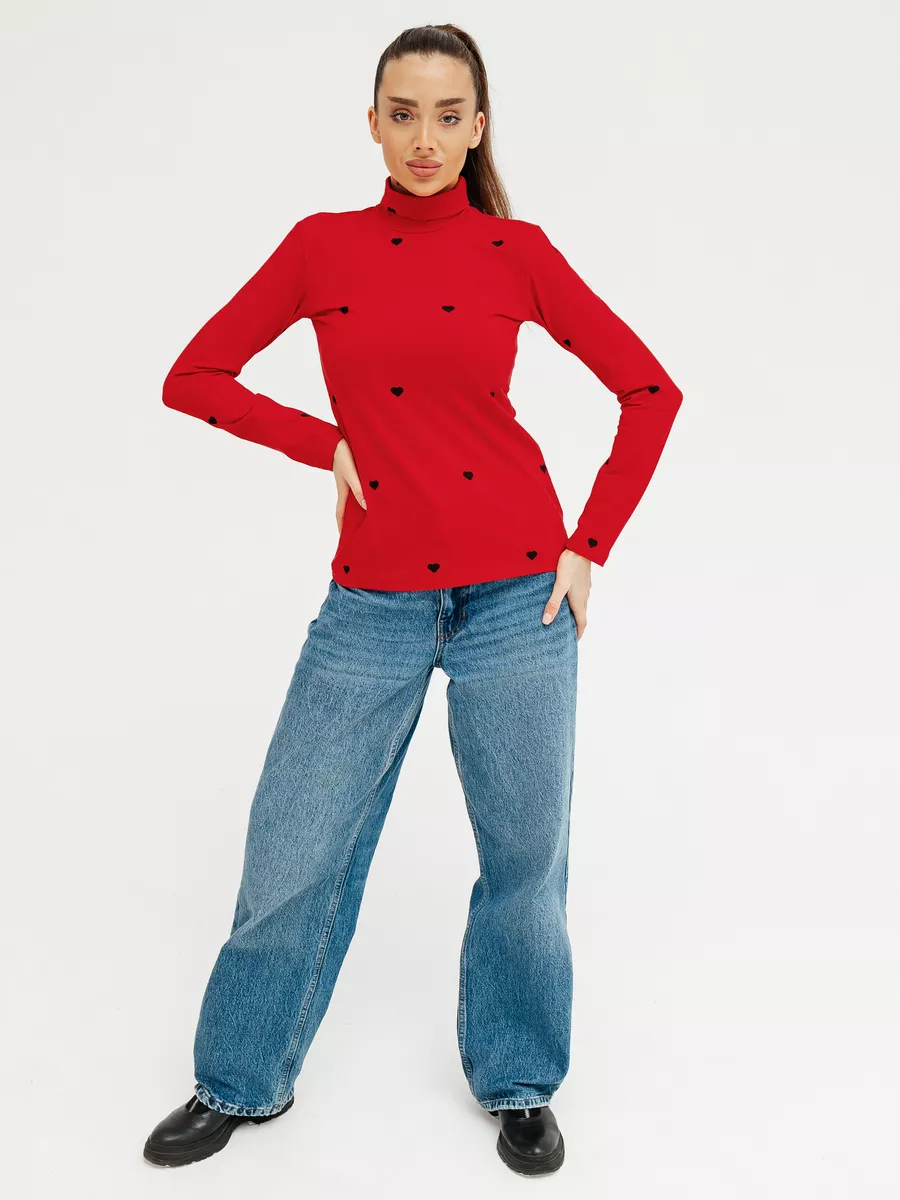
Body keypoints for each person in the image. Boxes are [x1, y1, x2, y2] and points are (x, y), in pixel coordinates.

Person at [142, 22, 683, 1178]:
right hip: (372, 601)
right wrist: (325, 443)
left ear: (478, 127)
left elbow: (650, 389)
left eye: (447, 116)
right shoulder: (321, 247)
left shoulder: (517, 252)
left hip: (520, 598)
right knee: (292, 844)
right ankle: (239, 1078)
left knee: (525, 856)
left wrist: (588, 545)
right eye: (403, 113)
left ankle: (521, 1081)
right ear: (373, 123)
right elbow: (194, 375)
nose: (425, 138)